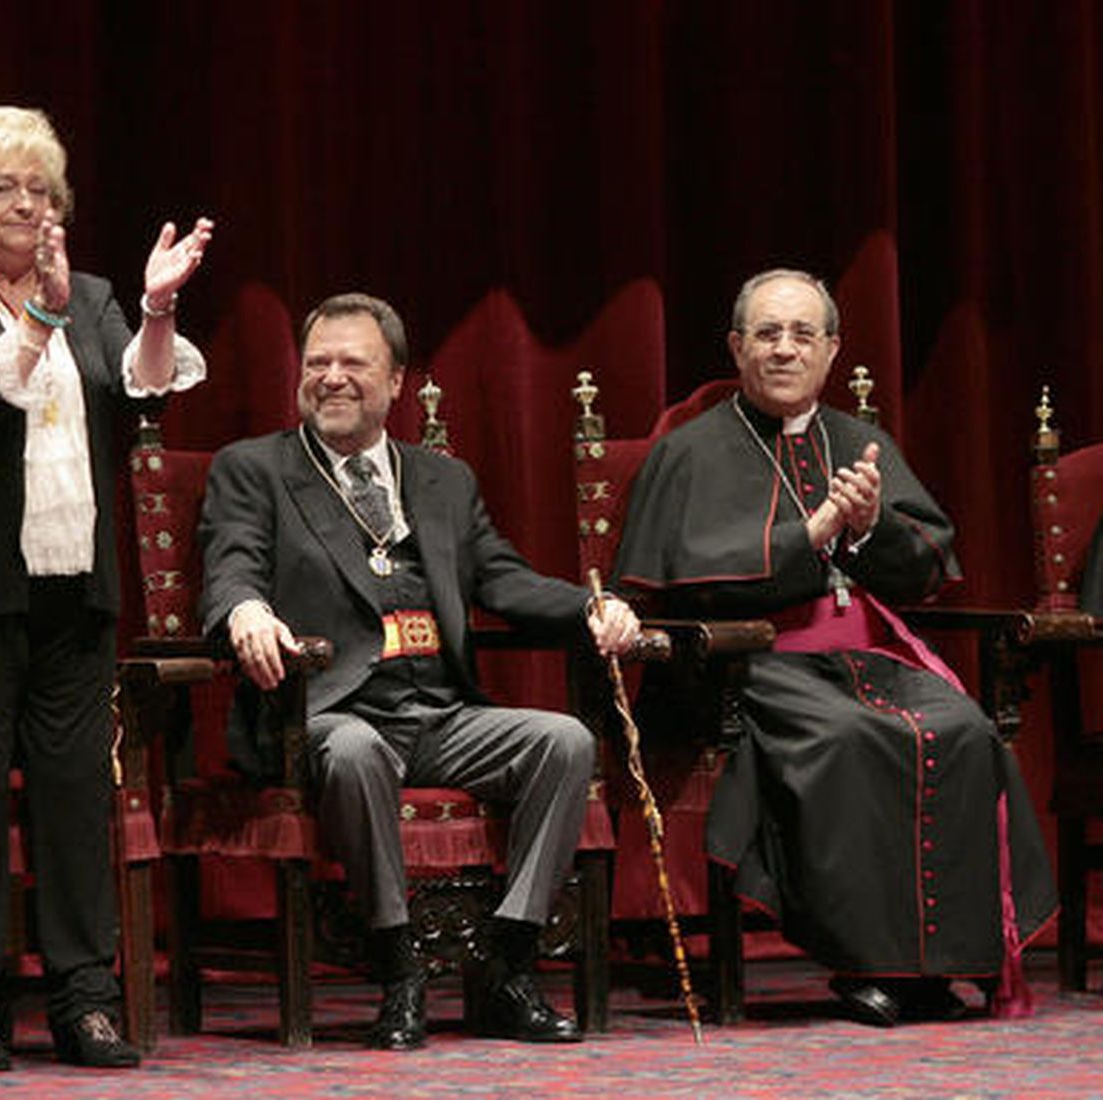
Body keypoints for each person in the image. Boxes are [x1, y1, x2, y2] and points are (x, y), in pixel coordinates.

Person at [613, 268, 1058, 1027]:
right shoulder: (687, 452)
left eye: (802, 335)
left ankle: (945, 967)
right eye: (767, 334)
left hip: (867, 653)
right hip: (752, 660)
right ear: (736, 347)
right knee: (851, 737)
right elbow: (681, 582)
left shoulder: (863, 443)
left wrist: (868, 527)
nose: (784, 350)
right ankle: (869, 967)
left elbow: (926, 565)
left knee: (963, 731)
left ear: (831, 351)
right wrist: (807, 536)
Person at [198, 292, 641, 1050]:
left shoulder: (442, 480)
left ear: (397, 380)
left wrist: (596, 609)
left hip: (440, 716)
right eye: (318, 364)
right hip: (328, 715)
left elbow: (503, 580)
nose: (332, 378)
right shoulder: (256, 469)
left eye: (353, 363)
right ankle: (398, 965)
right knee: (357, 749)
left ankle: (507, 961)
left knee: (562, 741)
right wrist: (244, 611)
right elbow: (231, 560)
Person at [0, 106, 214, 1071]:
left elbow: (140, 387)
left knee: (78, 799)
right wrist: (39, 313)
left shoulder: (96, 293)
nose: (30, 206)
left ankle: (84, 996)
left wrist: (153, 311)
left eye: (42, 189)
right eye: (5, 189)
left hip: (75, 595)